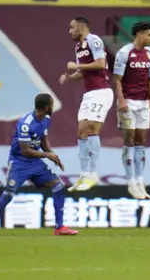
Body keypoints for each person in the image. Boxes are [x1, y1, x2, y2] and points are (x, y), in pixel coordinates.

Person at [0, 94, 78, 236]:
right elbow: (25, 150)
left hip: (35, 163)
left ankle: (59, 227)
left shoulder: (46, 120)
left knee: (58, 186)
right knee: (8, 194)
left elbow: (43, 141)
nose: (52, 107)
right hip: (19, 162)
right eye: (51, 104)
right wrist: (47, 155)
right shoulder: (26, 124)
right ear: (46, 107)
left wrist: (53, 156)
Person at [59, 16, 114, 192]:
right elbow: (83, 72)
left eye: (72, 27)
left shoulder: (94, 40)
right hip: (89, 94)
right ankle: (84, 174)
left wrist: (76, 66)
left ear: (82, 27)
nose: (69, 31)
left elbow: (100, 63)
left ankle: (93, 173)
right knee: (81, 132)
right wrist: (69, 77)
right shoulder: (78, 47)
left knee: (91, 129)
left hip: (101, 92)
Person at [113, 21, 150, 200]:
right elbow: (117, 79)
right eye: (149, 35)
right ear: (139, 34)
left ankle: (140, 181)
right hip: (128, 103)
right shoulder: (125, 53)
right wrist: (121, 100)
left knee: (141, 141)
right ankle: (130, 181)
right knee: (129, 139)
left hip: (143, 103)